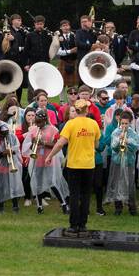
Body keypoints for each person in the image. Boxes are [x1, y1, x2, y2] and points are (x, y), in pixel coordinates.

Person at [49, 98, 100, 232]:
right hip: (89, 165)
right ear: (87, 110)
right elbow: (97, 144)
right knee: (86, 195)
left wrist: (50, 156)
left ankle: (73, 225)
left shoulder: (70, 124)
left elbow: (60, 143)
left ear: (76, 110)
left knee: (74, 195)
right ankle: (83, 225)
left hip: (74, 165)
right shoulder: (93, 124)